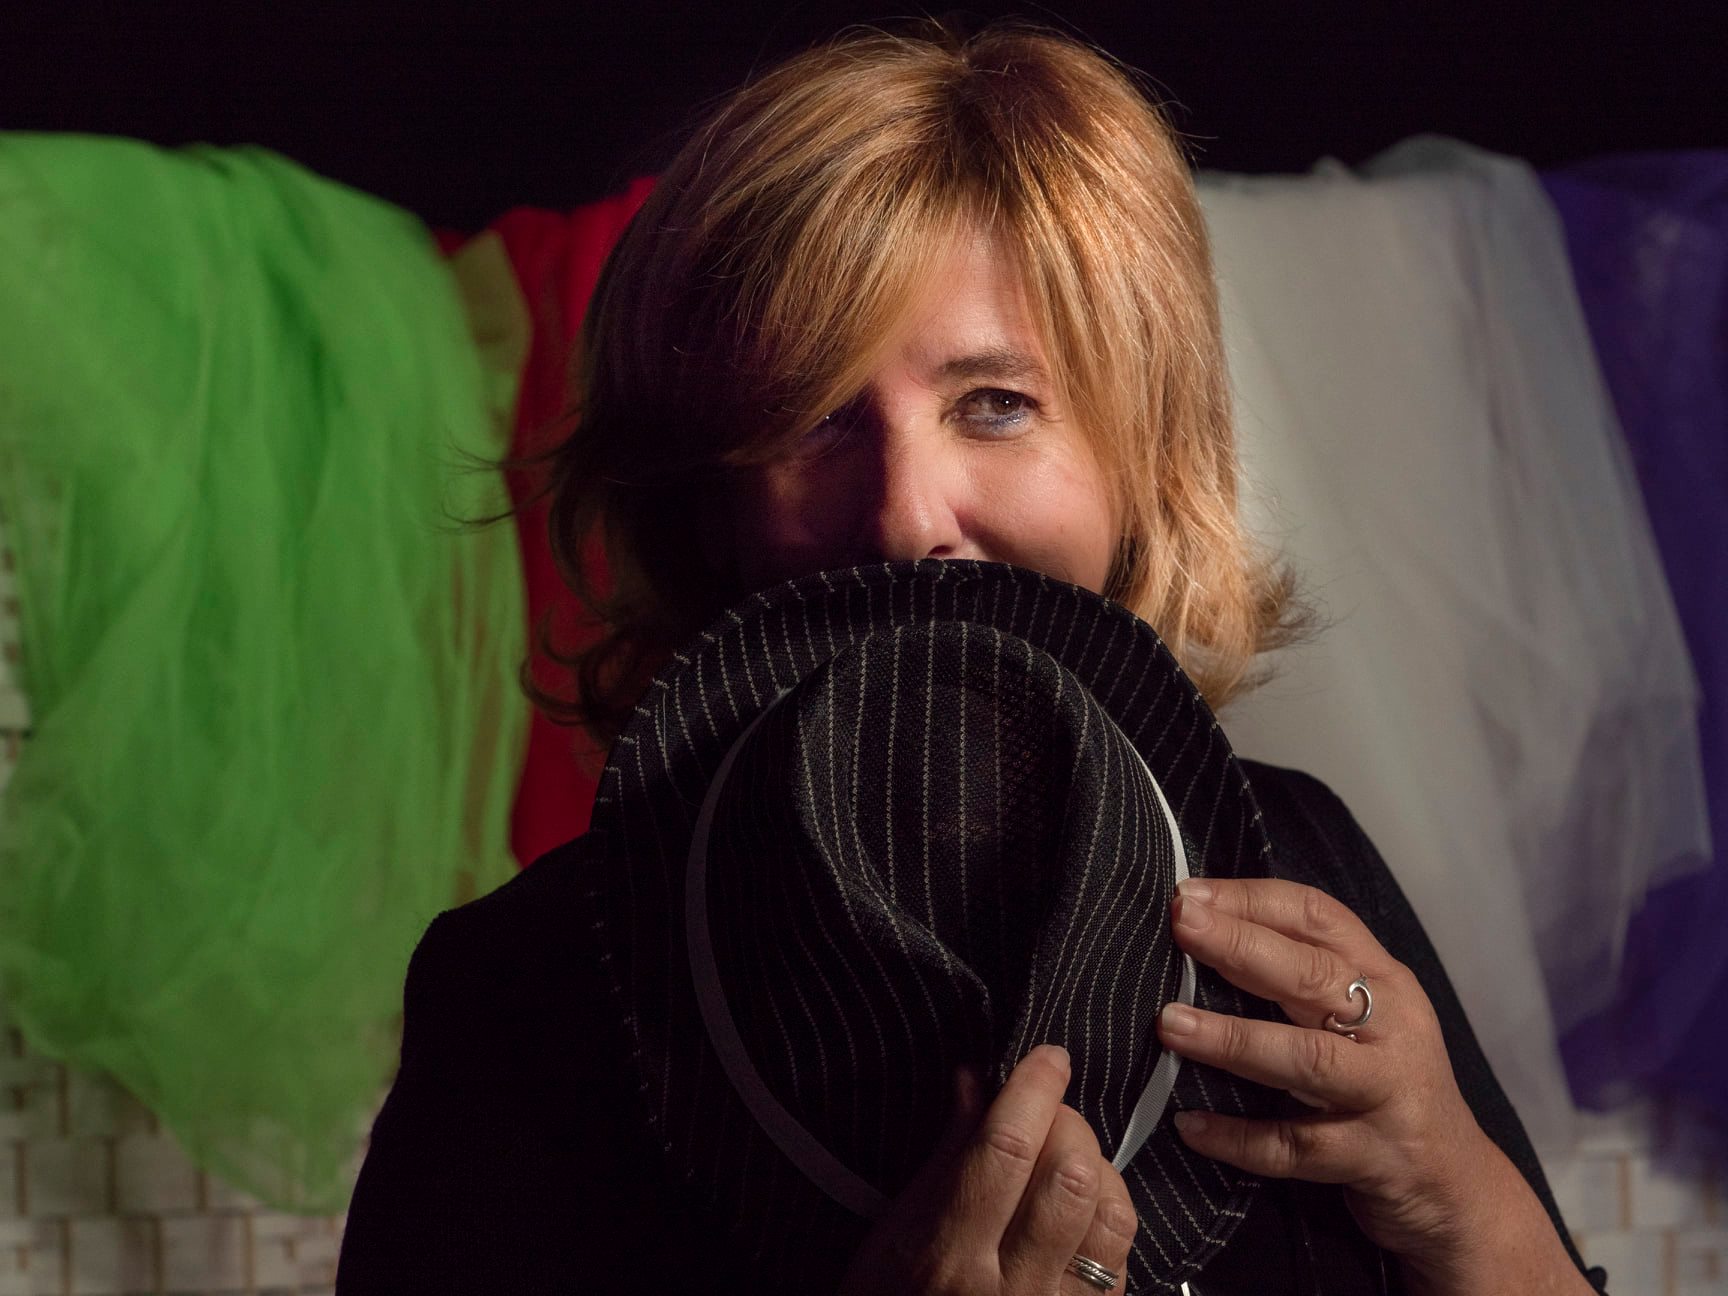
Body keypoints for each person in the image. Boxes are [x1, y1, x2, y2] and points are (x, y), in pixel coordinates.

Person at [336, 21, 1606, 1295]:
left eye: (995, 405)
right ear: (702, 502)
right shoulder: (532, 986)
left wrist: (1468, 1205)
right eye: (813, 417)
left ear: (1139, 458)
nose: (904, 519)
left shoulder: (1300, 859)